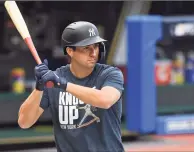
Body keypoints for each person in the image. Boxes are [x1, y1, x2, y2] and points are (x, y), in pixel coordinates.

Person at [18, 21, 125, 152]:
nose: (93, 53)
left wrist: (62, 84)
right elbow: (24, 122)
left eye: (96, 47)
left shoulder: (110, 74)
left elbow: (105, 100)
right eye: (86, 48)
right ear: (70, 51)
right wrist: (39, 88)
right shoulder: (55, 78)